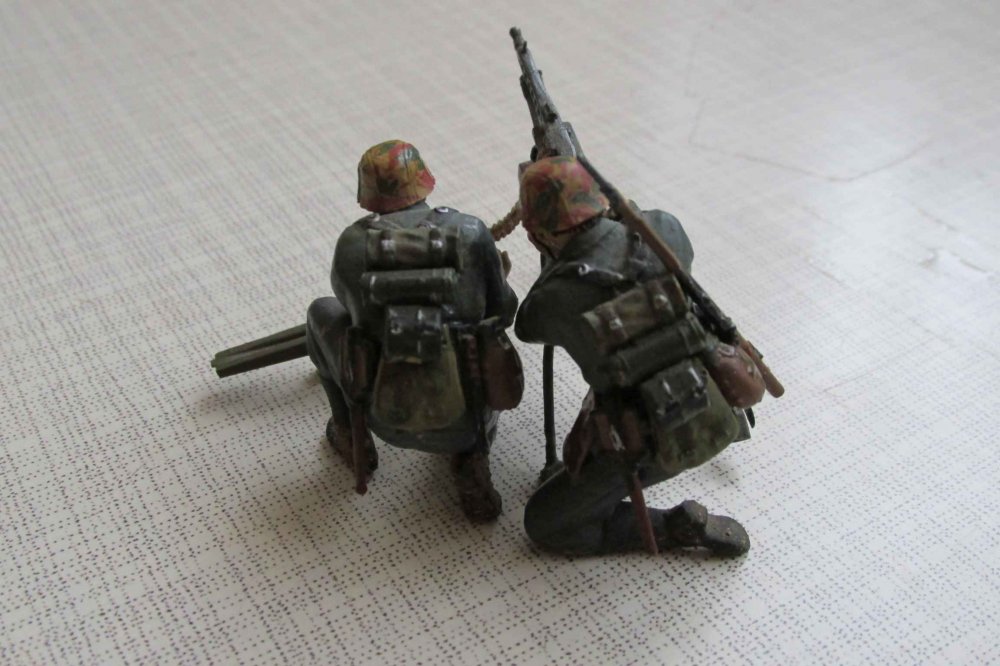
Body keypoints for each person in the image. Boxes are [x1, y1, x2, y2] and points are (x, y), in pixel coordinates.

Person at [514, 156, 753, 555]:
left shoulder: (552, 300)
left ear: (538, 234)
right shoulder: (662, 230)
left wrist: (557, 263)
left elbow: (527, 327)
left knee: (547, 523)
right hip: (714, 394)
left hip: (644, 433)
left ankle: (672, 527)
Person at [306, 140, 520, 523]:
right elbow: (504, 310)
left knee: (319, 312)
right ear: (423, 179)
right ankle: (471, 459)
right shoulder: (470, 231)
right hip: (467, 417)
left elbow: (349, 310)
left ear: (367, 192)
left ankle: (352, 435)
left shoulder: (352, 245)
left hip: (384, 414)